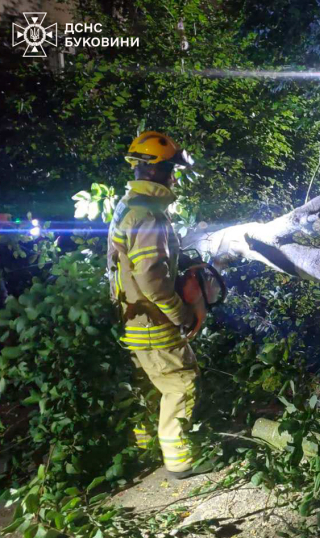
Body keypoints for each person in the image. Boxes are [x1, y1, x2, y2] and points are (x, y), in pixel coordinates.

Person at [107, 131, 208, 479]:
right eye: (170, 171)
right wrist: (182, 314)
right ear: (155, 171)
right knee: (181, 381)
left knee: (149, 383)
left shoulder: (127, 207)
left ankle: (145, 446)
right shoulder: (148, 216)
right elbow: (152, 278)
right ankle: (179, 458)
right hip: (153, 321)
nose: (173, 178)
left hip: (132, 317)